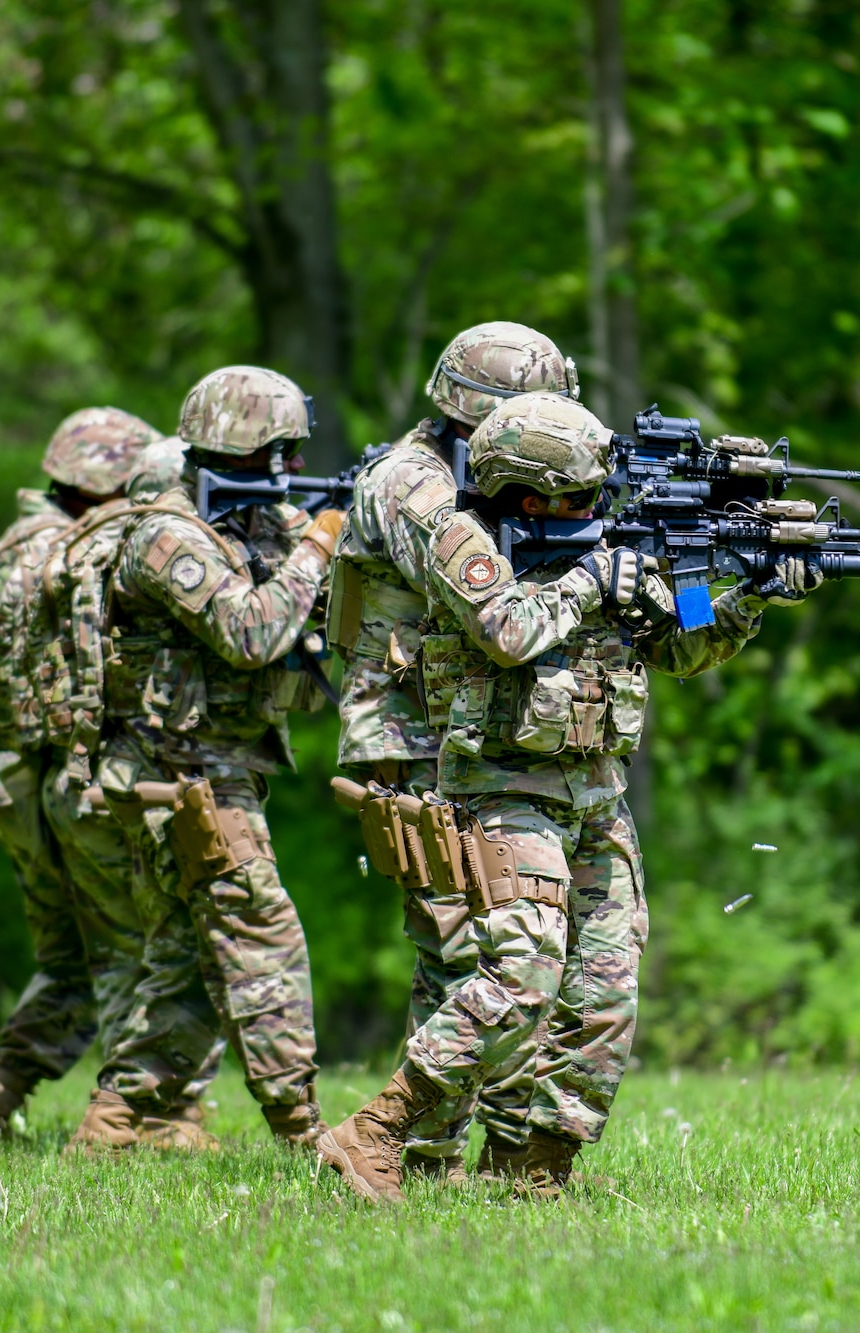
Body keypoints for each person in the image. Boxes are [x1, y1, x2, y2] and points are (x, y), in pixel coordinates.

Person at [318, 392, 822, 1203]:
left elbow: (679, 641)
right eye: (577, 497)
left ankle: (535, 1167)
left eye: (595, 496)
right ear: (530, 495)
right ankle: (376, 1129)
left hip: (597, 795)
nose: (592, 509)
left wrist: (750, 597)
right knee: (522, 970)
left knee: (604, 993)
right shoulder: (464, 538)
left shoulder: (613, 549)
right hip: (503, 788)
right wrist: (593, 577)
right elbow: (505, 631)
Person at [328, 322, 579, 1180]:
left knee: (477, 945)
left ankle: (457, 1153)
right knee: (467, 945)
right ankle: (412, 1145)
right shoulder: (414, 487)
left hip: (459, 727)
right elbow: (499, 615)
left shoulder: (473, 483)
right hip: (409, 738)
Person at [71, 365, 345, 1151]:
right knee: (264, 937)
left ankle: (116, 1121)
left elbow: (315, 614)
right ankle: (303, 1130)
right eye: (278, 455)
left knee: (188, 962)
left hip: (208, 770)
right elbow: (251, 632)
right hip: (179, 776)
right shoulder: (167, 531)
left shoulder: (252, 524)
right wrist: (319, 545)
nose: (289, 471)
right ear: (240, 448)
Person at [0, 410, 190, 1140]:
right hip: (62, 772)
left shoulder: (4, 550)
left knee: (68, 953)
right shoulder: (78, 549)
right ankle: (138, 1113)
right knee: (128, 947)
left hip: (3, 780)